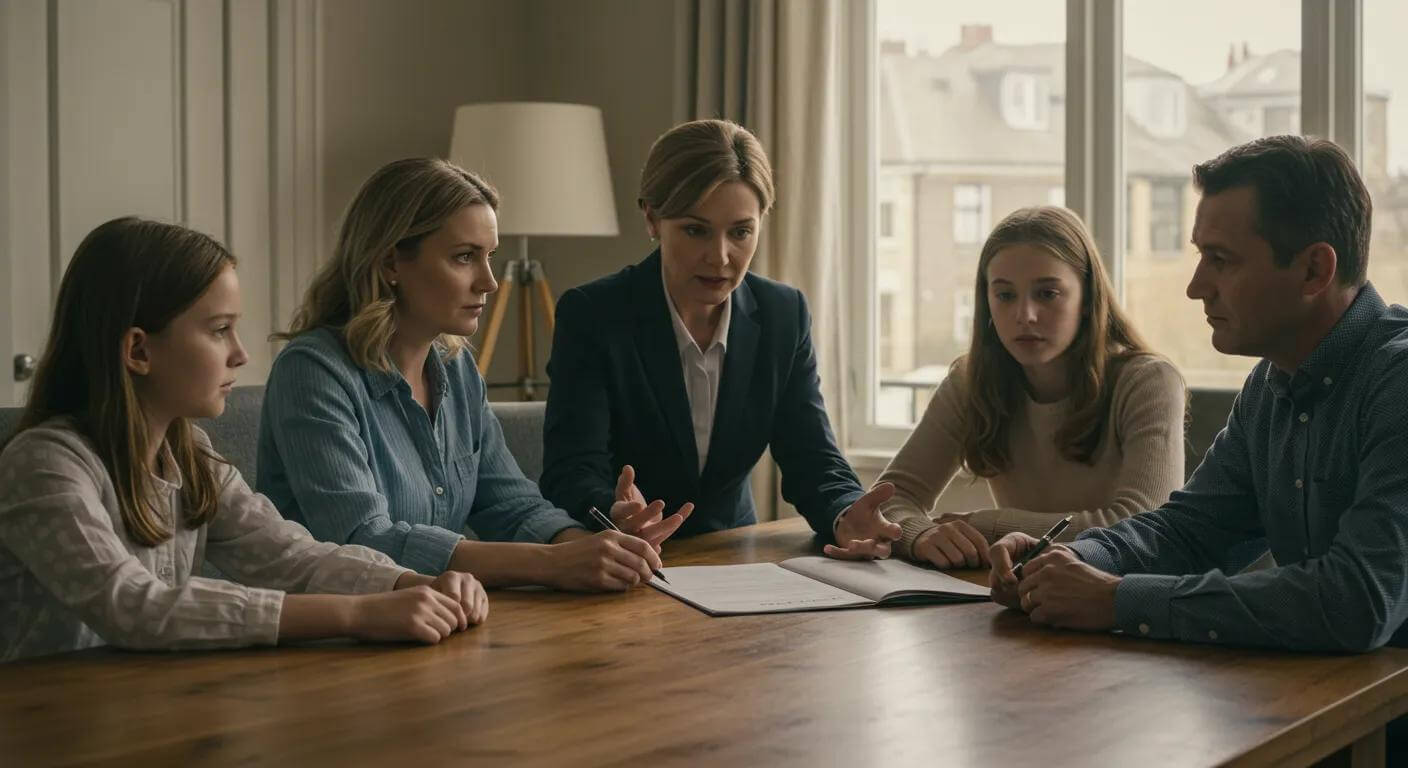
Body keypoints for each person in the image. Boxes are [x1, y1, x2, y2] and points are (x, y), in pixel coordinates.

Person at [992, 135, 1408, 657]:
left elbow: (1358, 601)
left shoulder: (1397, 379)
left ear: (1313, 271)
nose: (1195, 286)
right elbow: (1191, 530)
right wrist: (1069, 561)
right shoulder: (1270, 383)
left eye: (1221, 259)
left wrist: (1119, 601)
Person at [0, 217, 485, 662]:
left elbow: (289, 557)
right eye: (219, 330)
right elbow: (134, 606)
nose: (241, 354)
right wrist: (359, 614)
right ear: (138, 350)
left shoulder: (190, 457)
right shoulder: (45, 466)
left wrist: (410, 583)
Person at [258, 158, 662, 592]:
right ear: (391, 262)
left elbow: (511, 503)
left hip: (434, 623)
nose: (489, 282)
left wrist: (596, 548)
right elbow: (362, 540)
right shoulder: (313, 372)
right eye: (465, 257)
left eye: (490, 257)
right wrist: (551, 562)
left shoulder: (456, 367)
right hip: (328, 636)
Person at [540, 119, 900, 558]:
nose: (720, 256)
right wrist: (612, 511)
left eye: (741, 231)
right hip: (616, 559)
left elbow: (812, 457)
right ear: (653, 218)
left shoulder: (783, 314)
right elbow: (570, 469)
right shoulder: (594, 314)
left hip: (731, 555)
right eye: (696, 230)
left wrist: (846, 513)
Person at [877, 206, 1186, 569]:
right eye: (1005, 296)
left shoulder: (1148, 381)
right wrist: (921, 535)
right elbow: (887, 500)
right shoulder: (969, 380)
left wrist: (988, 525)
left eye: (1047, 294)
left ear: (1086, 298)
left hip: (1119, 601)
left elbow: (1142, 527)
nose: (1025, 315)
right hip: (1016, 594)